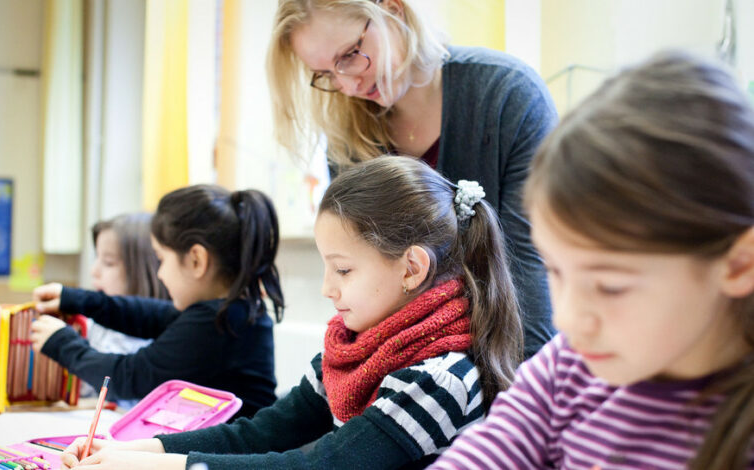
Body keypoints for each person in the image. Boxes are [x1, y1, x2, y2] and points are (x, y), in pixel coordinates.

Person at [58, 156, 523, 470]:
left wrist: (166, 464)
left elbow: (322, 465)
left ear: (412, 268)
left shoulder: (441, 378)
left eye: (342, 269)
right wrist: (140, 449)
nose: (326, 288)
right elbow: (265, 432)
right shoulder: (353, 350)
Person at [428, 51, 754, 469]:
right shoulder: (570, 365)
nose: (568, 319)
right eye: (556, 272)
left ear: (740, 265)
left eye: (611, 286)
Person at [267, 0, 557, 359]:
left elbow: (532, 278)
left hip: (505, 368)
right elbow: (368, 298)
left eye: (350, 55)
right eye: (325, 74)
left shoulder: (508, 97)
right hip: (403, 373)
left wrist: (523, 404)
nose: (347, 84)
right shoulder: (347, 139)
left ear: (393, 9)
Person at [29, 185, 284, 419]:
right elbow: (146, 315)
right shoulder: (231, 312)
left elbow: (125, 377)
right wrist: (74, 298)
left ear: (196, 260)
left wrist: (61, 343)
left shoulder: (218, 324)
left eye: (161, 259)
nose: (160, 273)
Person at [87, 213, 169, 356]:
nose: (94, 271)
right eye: (96, 257)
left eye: (108, 263)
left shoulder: (153, 347)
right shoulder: (96, 322)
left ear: (144, 271)